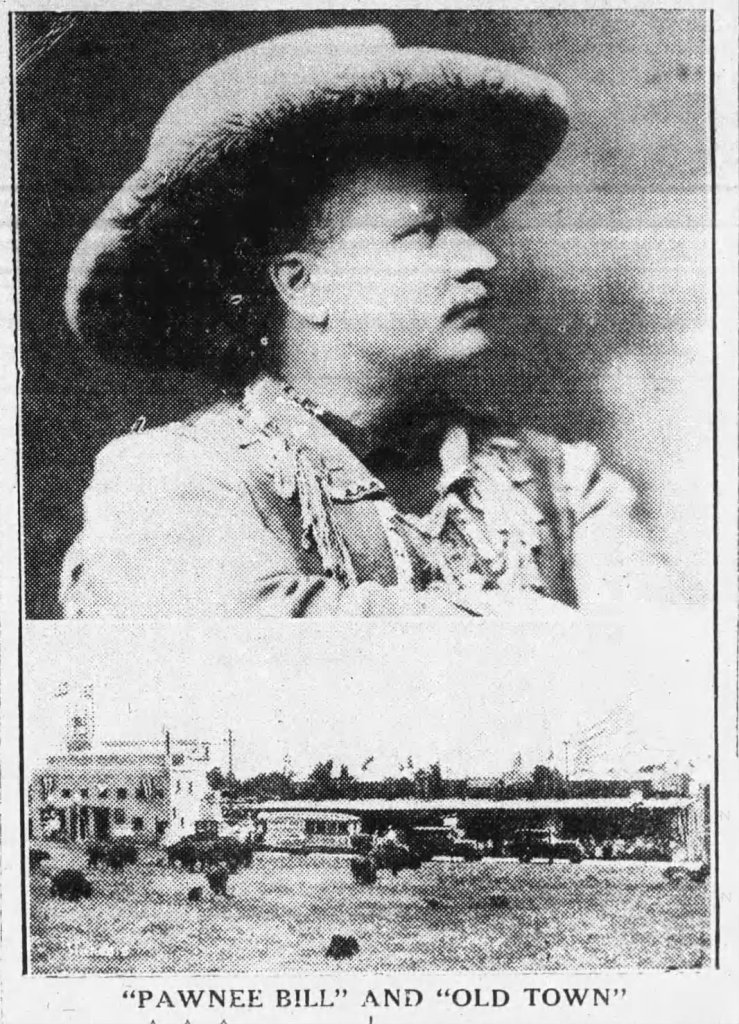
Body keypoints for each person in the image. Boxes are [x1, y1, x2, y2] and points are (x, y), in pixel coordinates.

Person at [59, 24, 680, 619]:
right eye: (422, 233)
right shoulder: (179, 479)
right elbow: (248, 650)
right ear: (303, 285)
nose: (479, 258)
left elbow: (669, 672)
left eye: (465, 226)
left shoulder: (565, 486)